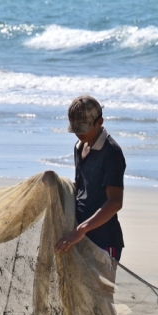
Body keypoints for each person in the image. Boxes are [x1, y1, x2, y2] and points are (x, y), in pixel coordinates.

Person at [55, 95, 125, 262]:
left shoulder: (112, 153)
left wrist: (82, 229)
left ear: (99, 122)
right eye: (76, 128)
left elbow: (115, 202)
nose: (79, 133)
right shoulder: (80, 147)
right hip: (78, 236)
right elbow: (81, 187)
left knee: (102, 289)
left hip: (104, 239)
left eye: (84, 128)